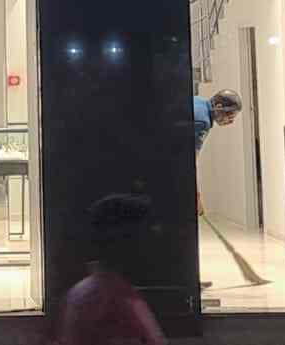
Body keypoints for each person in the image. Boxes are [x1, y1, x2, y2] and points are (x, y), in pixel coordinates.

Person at [51, 194, 165, 345]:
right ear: (125, 241)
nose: (154, 242)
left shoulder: (80, 292)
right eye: (145, 233)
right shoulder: (117, 300)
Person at [192, 90, 241, 215]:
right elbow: (190, 162)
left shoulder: (198, 101)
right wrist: (196, 197)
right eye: (230, 116)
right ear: (218, 107)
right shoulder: (203, 122)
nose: (231, 122)